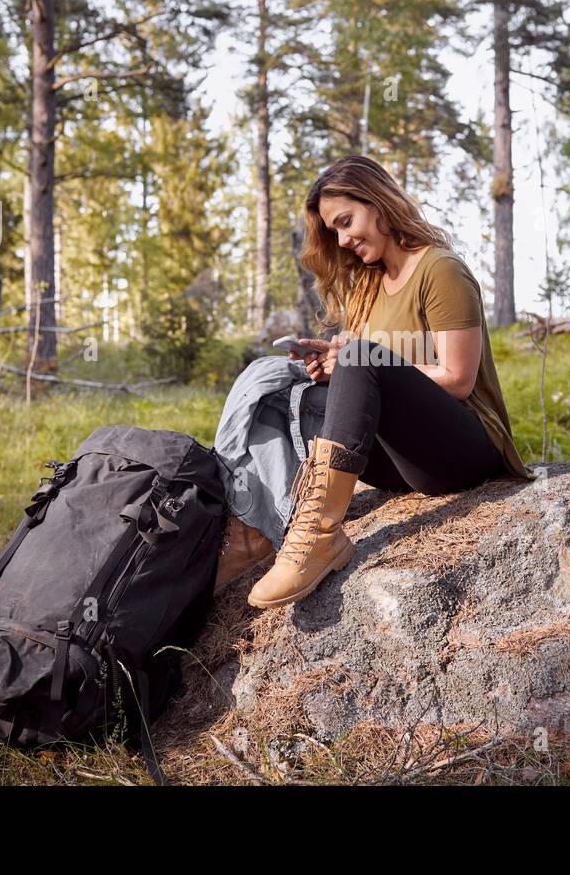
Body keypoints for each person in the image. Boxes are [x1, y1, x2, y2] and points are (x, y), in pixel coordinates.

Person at [228, 155, 537, 609]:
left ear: (378, 203)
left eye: (346, 221)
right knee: (279, 387)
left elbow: (457, 380)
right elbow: (366, 381)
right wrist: (334, 369)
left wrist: (358, 361)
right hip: (403, 462)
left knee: (356, 355)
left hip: (463, 450)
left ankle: (320, 535)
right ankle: (255, 529)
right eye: (334, 230)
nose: (343, 238)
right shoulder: (365, 287)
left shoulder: (439, 269)